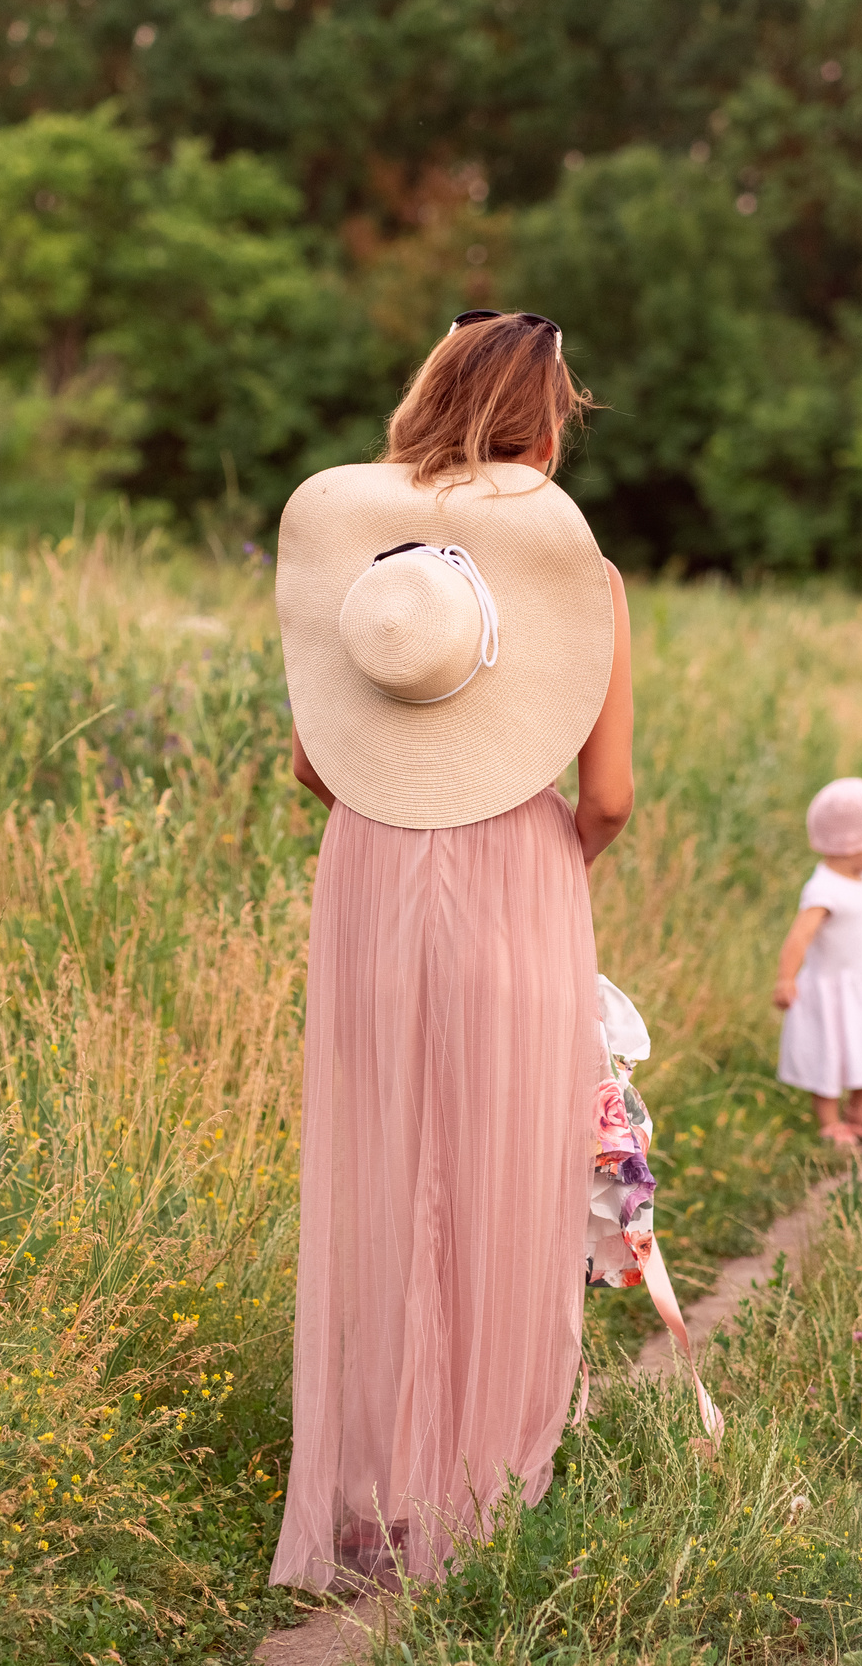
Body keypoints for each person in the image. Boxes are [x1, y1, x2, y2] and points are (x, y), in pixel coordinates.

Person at [269, 309, 633, 1592]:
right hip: (517, 861)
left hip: (366, 861)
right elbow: (609, 798)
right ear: (543, 421)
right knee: (504, 1169)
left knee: (382, 1159)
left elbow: (315, 759)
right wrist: (545, 877)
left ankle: (372, 1494)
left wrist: (401, 811)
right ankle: (479, 1488)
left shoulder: (362, 567)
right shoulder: (577, 578)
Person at [772, 777, 862, 1148]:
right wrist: (786, 979)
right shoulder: (824, 889)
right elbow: (799, 937)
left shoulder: (860, 877)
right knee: (830, 1052)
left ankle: (861, 1111)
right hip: (832, 989)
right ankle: (829, 1121)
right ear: (854, 845)